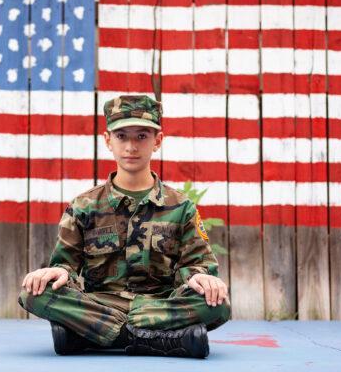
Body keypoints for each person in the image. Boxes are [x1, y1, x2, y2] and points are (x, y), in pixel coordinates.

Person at [18, 95, 230, 358]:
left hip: (160, 305)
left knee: (217, 303)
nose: (131, 146)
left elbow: (197, 265)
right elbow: (65, 267)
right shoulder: (84, 206)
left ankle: (90, 337)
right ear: (108, 140)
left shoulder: (181, 206)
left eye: (142, 136)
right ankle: (156, 340)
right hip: (101, 304)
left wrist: (201, 277)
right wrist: (55, 272)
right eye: (121, 136)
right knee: (34, 293)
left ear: (158, 141)